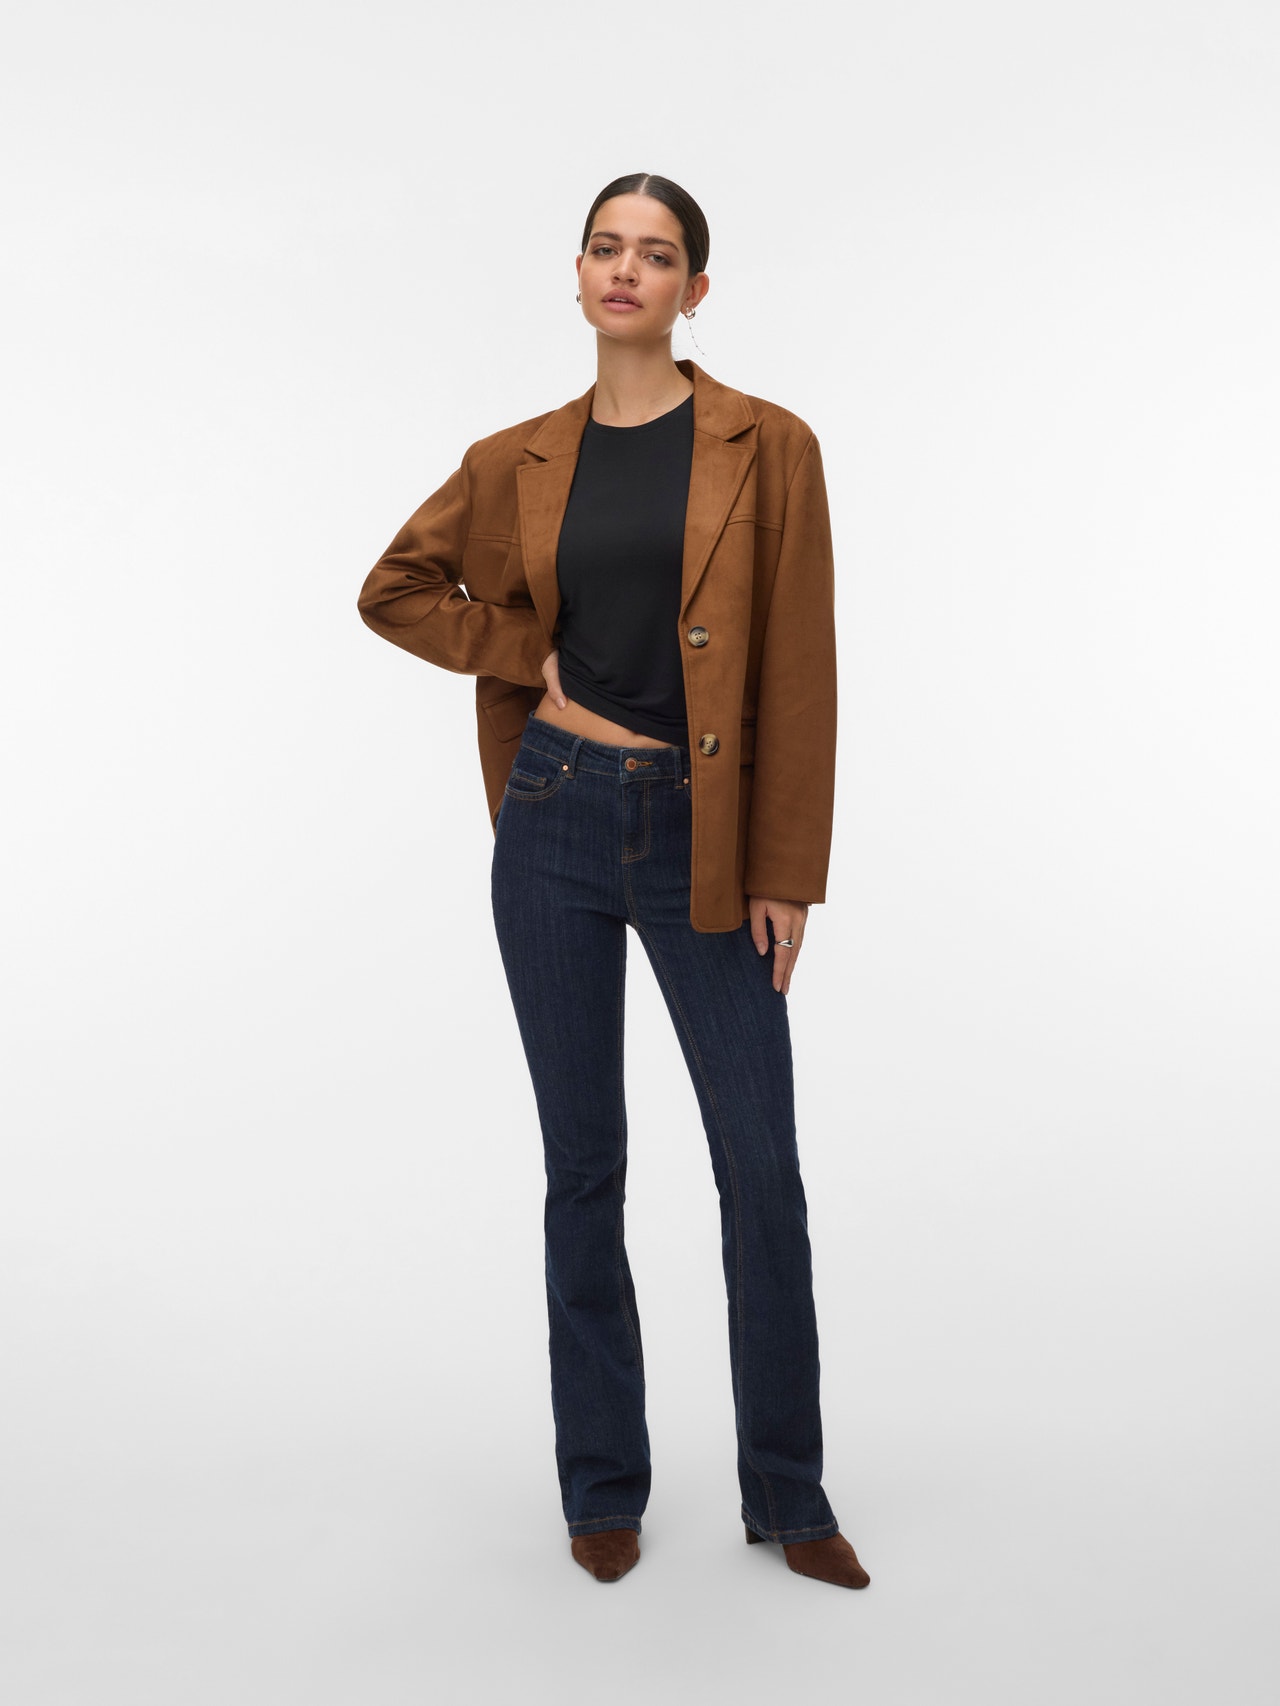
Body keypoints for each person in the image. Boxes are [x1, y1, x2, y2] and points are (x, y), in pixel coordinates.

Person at [357, 172, 870, 1591]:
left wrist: (786, 869)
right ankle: (601, 1484)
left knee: (760, 1168)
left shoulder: (770, 445)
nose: (625, 270)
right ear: (579, 273)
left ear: (695, 288)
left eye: (655, 253)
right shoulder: (515, 456)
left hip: (708, 837)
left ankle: (789, 1491)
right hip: (554, 822)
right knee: (583, 1167)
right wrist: (527, 657)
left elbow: (802, 667)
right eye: (605, 247)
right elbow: (396, 588)